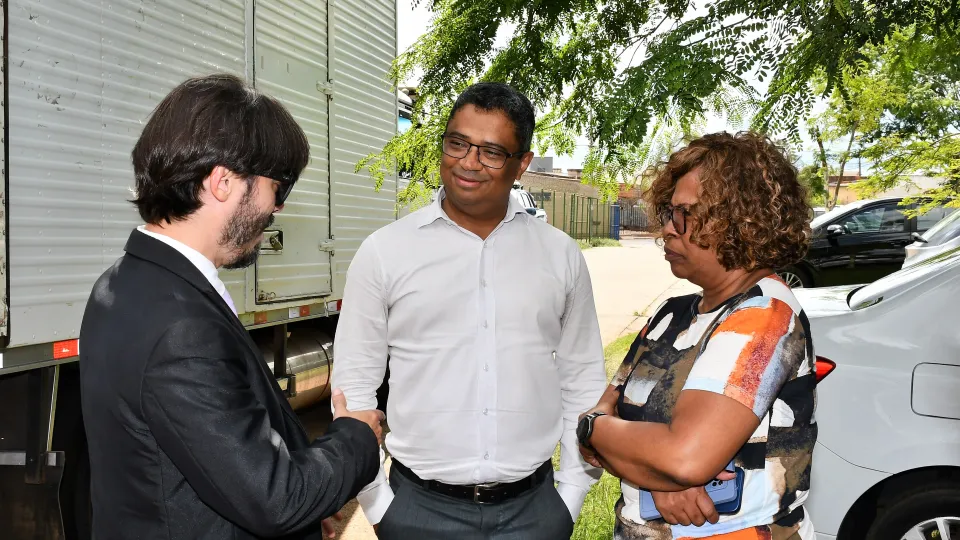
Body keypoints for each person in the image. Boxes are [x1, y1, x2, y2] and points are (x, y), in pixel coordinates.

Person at [79, 74, 384, 540]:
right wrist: (357, 435)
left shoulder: (123, 283)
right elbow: (275, 499)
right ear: (223, 182)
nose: (277, 208)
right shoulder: (182, 326)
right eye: (277, 188)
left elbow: (208, 465)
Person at [332, 82, 607, 539]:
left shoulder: (560, 255)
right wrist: (379, 504)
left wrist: (571, 495)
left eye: (491, 152)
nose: (468, 162)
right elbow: (354, 386)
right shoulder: (385, 252)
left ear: (522, 163)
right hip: (417, 513)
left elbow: (582, 379)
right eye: (457, 143)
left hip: (534, 513)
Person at [578, 132, 816, 539]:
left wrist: (592, 429)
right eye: (668, 212)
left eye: (684, 214)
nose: (667, 229)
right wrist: (657, 476)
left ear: (742, 220)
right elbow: (604, 417)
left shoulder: (764, 315)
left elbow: (684, 457)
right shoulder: (671, 315)